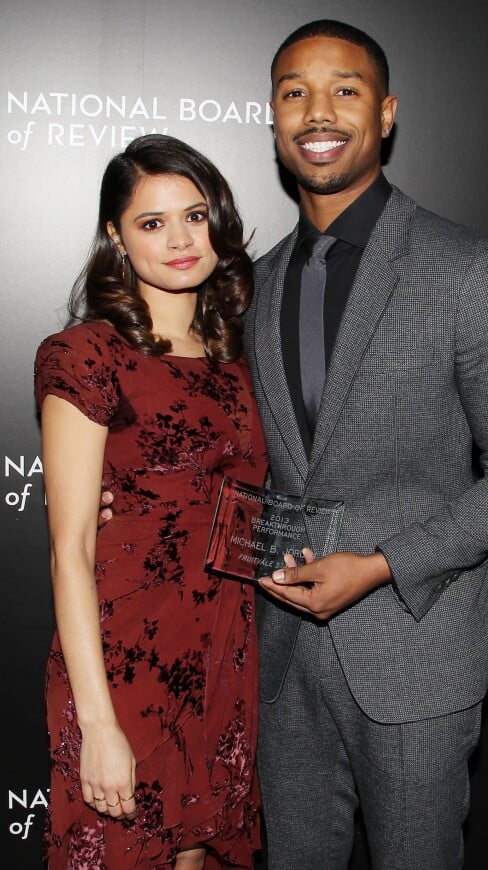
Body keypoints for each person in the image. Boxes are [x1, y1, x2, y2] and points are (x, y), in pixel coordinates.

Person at [245, 19, 488, 870]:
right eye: (294, 92)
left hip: (416, 656)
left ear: (385, 113)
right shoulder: (253, 282)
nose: (319, 111)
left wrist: (383, 562)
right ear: (273, 118)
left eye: (344, 89)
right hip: (280, 666)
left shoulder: (464, 268)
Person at [34, 134, 267, 869]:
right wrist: (97, 723)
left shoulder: (243, 352)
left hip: (226, 651)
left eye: (194, 216)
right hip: (124, 659)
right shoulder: (86, 353)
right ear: (115, 235)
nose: (179, 240)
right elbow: (70, 549)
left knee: (198, 856)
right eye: (151, 222)